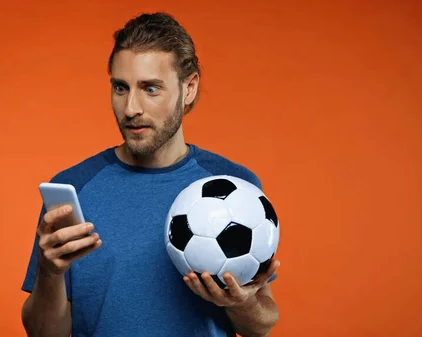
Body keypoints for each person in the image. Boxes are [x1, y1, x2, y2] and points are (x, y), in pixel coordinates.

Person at [20, 12, 280, 337]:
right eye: (120, 87)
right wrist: (48, 273)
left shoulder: (235, 187)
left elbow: (262, 324)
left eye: (150, 89)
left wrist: (239, 303)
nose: (131, 108)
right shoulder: (74, 189)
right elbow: (44, 334)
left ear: (189, 89)